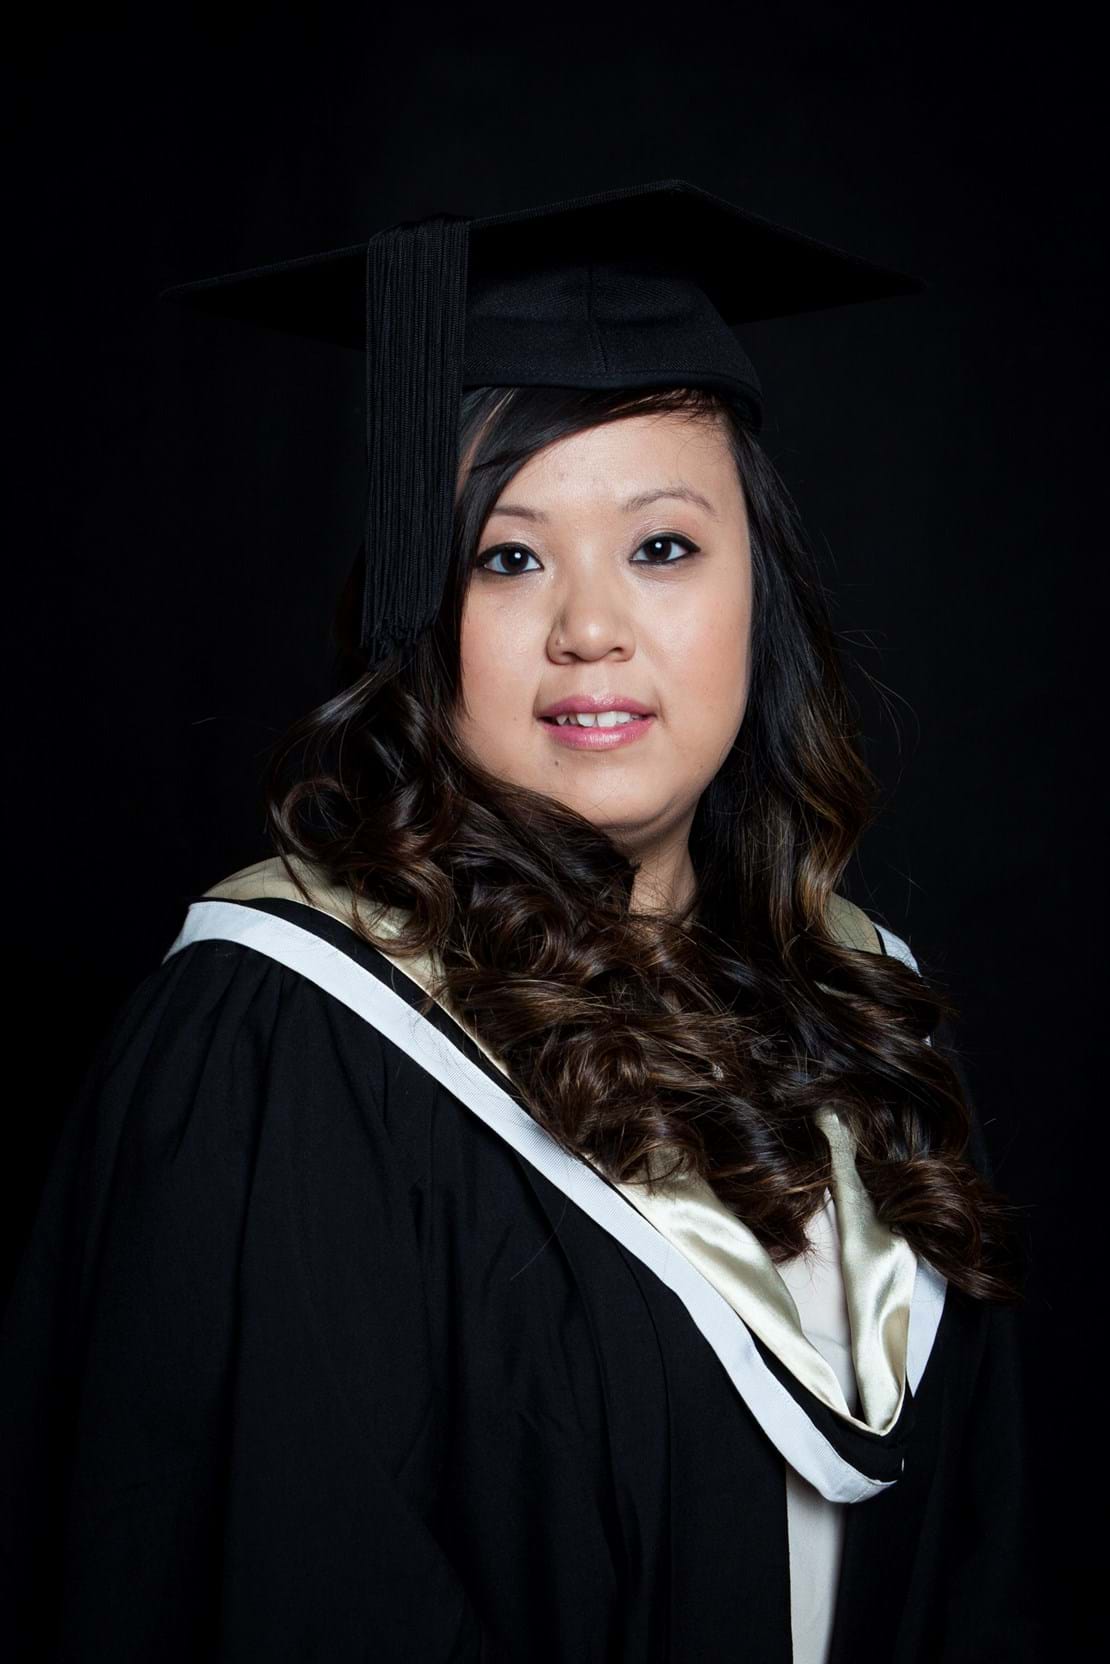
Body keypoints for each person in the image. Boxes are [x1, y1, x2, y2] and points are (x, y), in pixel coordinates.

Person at [0, 181, 1038, 1662]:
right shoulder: (289, 1037)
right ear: (425, 616)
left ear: (764, 594)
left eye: (664, 547)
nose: (589, 627)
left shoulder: (864, 1022)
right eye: (507, 554)